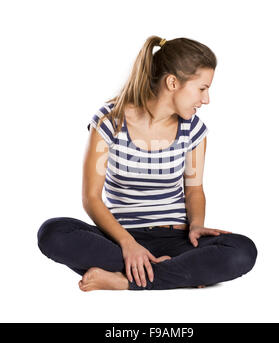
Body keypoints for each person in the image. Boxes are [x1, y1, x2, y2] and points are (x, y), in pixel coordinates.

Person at [37, 36, 258, 291]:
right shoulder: (109, 121)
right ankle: (175, 273)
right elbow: (91, 198)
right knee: (52, 232)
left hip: (176, 238)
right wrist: (129, 244)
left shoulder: (193, 129)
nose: (206, 99)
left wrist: (197, 225)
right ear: (173, 82)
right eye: (202, 88)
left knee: (242, 251)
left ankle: (123, 280)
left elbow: (194, 190)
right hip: (119, 240)